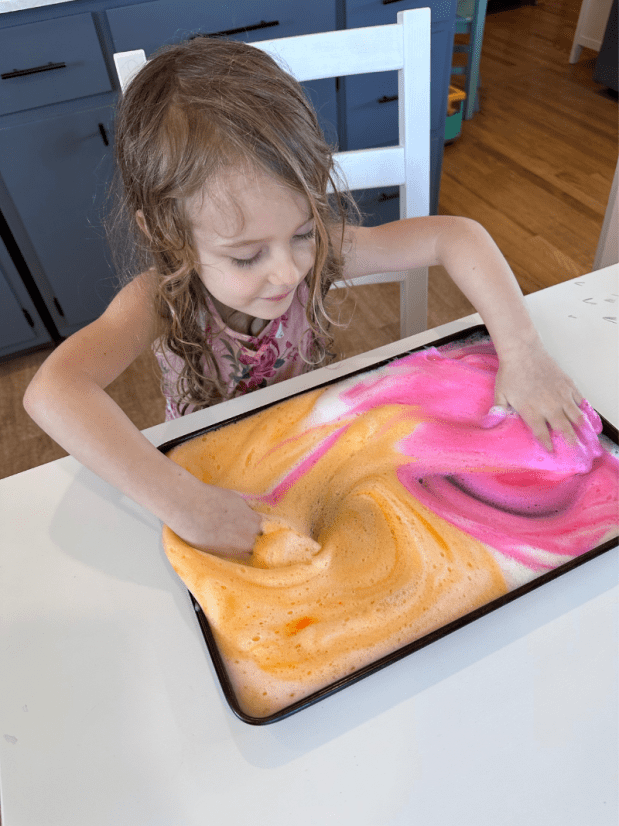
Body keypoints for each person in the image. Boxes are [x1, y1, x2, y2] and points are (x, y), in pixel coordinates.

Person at [24, 37, 584, 560]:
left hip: (324, 446)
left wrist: (523, 350)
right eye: (246, 256)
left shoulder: (323, 252)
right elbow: (53, 391)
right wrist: (179, 500)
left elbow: (455, 234)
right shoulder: (160, 299)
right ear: (167, 236)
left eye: (303, 232)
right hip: (219, 480)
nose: (289, 269)